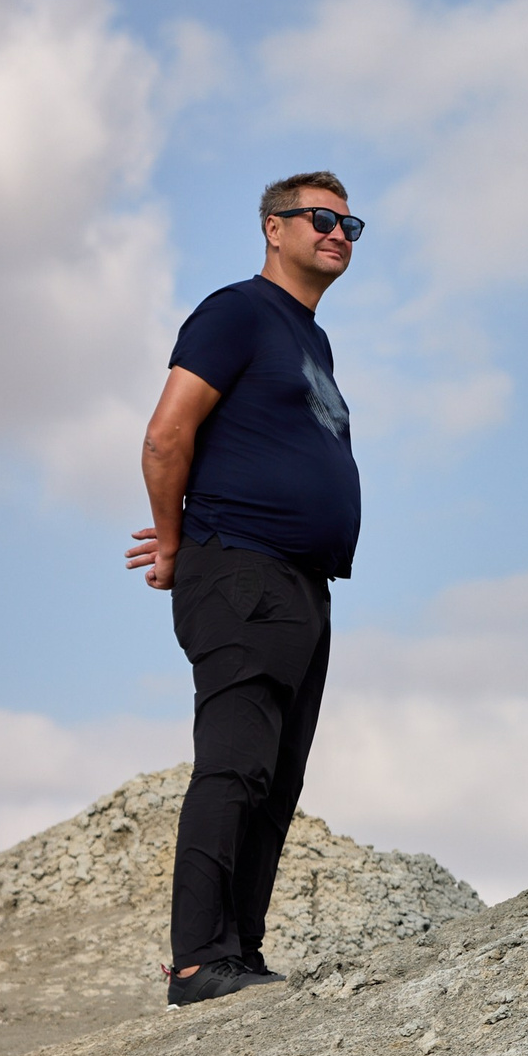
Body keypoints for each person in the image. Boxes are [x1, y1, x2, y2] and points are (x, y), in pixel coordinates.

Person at [126, 172, 364, 1007]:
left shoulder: (311, 340)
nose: (337, 233)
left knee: (277, 776)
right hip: (241, 566)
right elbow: (167, 435)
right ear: (274, 228)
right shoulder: (236, 311)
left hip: (303, 582)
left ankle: (239, 952)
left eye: (350, 225)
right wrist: (175, 542)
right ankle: (198, 960)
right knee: (234, 762)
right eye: (321, 218)